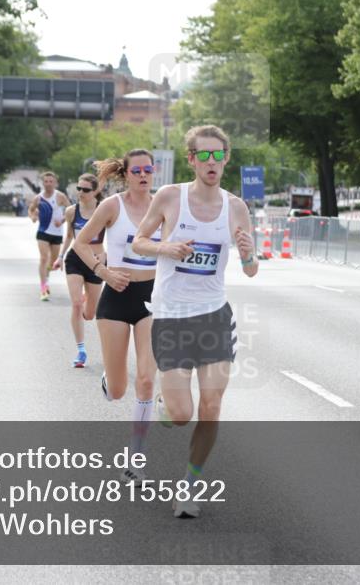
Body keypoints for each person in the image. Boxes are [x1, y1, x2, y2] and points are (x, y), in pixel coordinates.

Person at [132, 125, 258, 519]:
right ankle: (165, 404)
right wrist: (165, 247)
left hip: (213, 317)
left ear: (226, 159)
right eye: (203, 155)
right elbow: (138, 242)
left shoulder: (236, 207)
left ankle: (188, 485)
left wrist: (250, 254)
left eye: (218, 155)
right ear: (190, 159)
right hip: (170, 317)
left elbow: (251, 270)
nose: (211, 162)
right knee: (181, 413)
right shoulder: (171, 198)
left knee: (212, 405)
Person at [72, 149, 160, 486]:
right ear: (126, 173)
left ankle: (135, 462)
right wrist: (103, 272)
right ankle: (109, 381)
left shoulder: (164, 206)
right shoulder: (113, 206)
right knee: (120, 390)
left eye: (148, 170)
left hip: (151, 297)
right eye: (136, 170)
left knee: (147, 380)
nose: (143, 175)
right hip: (116, 297)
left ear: (154, 173)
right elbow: (81, 243)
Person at [52, 174, 105, 368]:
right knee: (75, 304)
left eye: (86, 190)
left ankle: (85, 299)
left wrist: (106, 255)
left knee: (90, 313)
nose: (81, 193)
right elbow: (68, 236)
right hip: (75, 259)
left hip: (95, 262)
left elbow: (115, 238)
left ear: (95, 192)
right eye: (79, 189)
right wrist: (59, 256)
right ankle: (81, 350)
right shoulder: (71, 211)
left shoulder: (104, 210)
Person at [28, 172, 70, 301]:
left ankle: (46, 277)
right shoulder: (38, 198)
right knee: (43, 258)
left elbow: (71, 210)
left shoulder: (60, 196)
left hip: (57, 233)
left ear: (55, 183)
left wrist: (62, 220)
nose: (48, 184)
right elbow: (31, 209)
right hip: (43, 232)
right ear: (43, 183)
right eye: (46, 181)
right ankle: (43, 288)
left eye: (51, 181)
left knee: (52, 263)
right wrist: (33, 217)